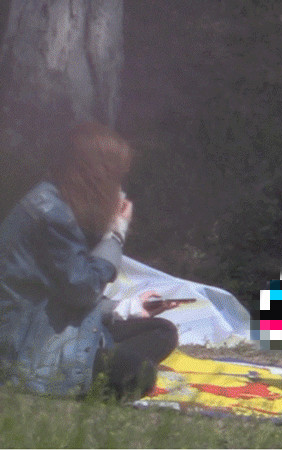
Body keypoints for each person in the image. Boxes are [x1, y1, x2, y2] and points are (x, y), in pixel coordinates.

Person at [0, 122, 178, 398]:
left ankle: (102, 359)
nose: (119, 188)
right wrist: (116, 234)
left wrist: (127, 308)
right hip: (30, 350)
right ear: (96, 176)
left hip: (53, 324)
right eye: (116, 178)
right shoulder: (51, 215)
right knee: (139, 373)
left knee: (162, 331)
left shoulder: (55, 203)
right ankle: (84, 375)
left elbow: (63, 291)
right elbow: (83, 290)